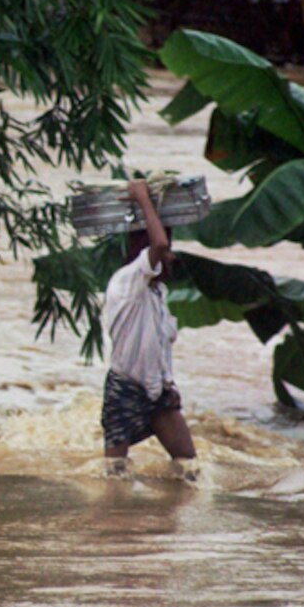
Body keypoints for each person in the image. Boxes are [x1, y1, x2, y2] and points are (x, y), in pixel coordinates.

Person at [100, 179, 201, 481]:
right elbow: (159, 245)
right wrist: (143, 198)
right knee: (115, 477)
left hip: (158, 392)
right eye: (168, 250)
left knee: (191, 470)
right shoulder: (127, 280)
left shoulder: (157, 294)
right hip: (125, 391)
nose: (171, 256)